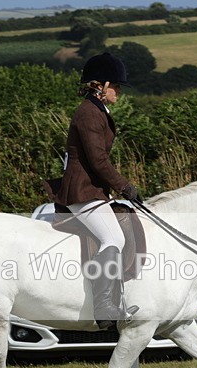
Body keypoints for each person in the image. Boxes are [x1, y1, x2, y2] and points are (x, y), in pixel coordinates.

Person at [51, 52, 142, 330]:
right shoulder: (88, 113)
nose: (119, 91)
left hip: (93, 189)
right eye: (115, 85)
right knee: (112, 236)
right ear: (100, 85)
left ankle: (118, 299)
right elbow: (97, 160)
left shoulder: (98, 110)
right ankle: (104, 307)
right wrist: (124, 186)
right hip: (81, 190)